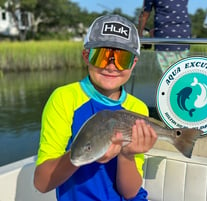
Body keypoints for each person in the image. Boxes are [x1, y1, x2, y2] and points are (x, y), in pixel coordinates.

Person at [33, 14, 158, 201]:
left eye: (122, 58)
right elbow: (42, 183)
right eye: (102, 56)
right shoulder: (64, 98)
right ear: (86, 56)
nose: (111, 66)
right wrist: (87, 154)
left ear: (133, 64)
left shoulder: (137, 107)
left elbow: (130, 192)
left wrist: (127, 155)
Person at [138, 0, 192, 72]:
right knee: (180, 73)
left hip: (164, 37)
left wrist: (139, 36)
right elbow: (175, 11)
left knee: (166, 74)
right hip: (184, 35)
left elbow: (144, 16)